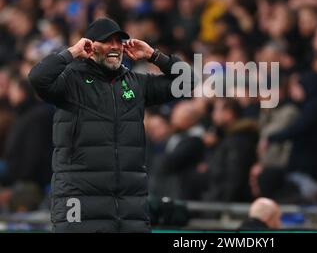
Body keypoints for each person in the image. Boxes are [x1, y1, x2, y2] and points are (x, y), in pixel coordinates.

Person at [28, 17, 194, 233]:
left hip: (127, 208)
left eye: (119, 41)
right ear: (90, 45)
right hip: (79, 203)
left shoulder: (136, 83)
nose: (115, 47)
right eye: (107, 41)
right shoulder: (71, 81)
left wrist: (154, 55)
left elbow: (189, 82)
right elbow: (37, 78)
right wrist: (72, 52)